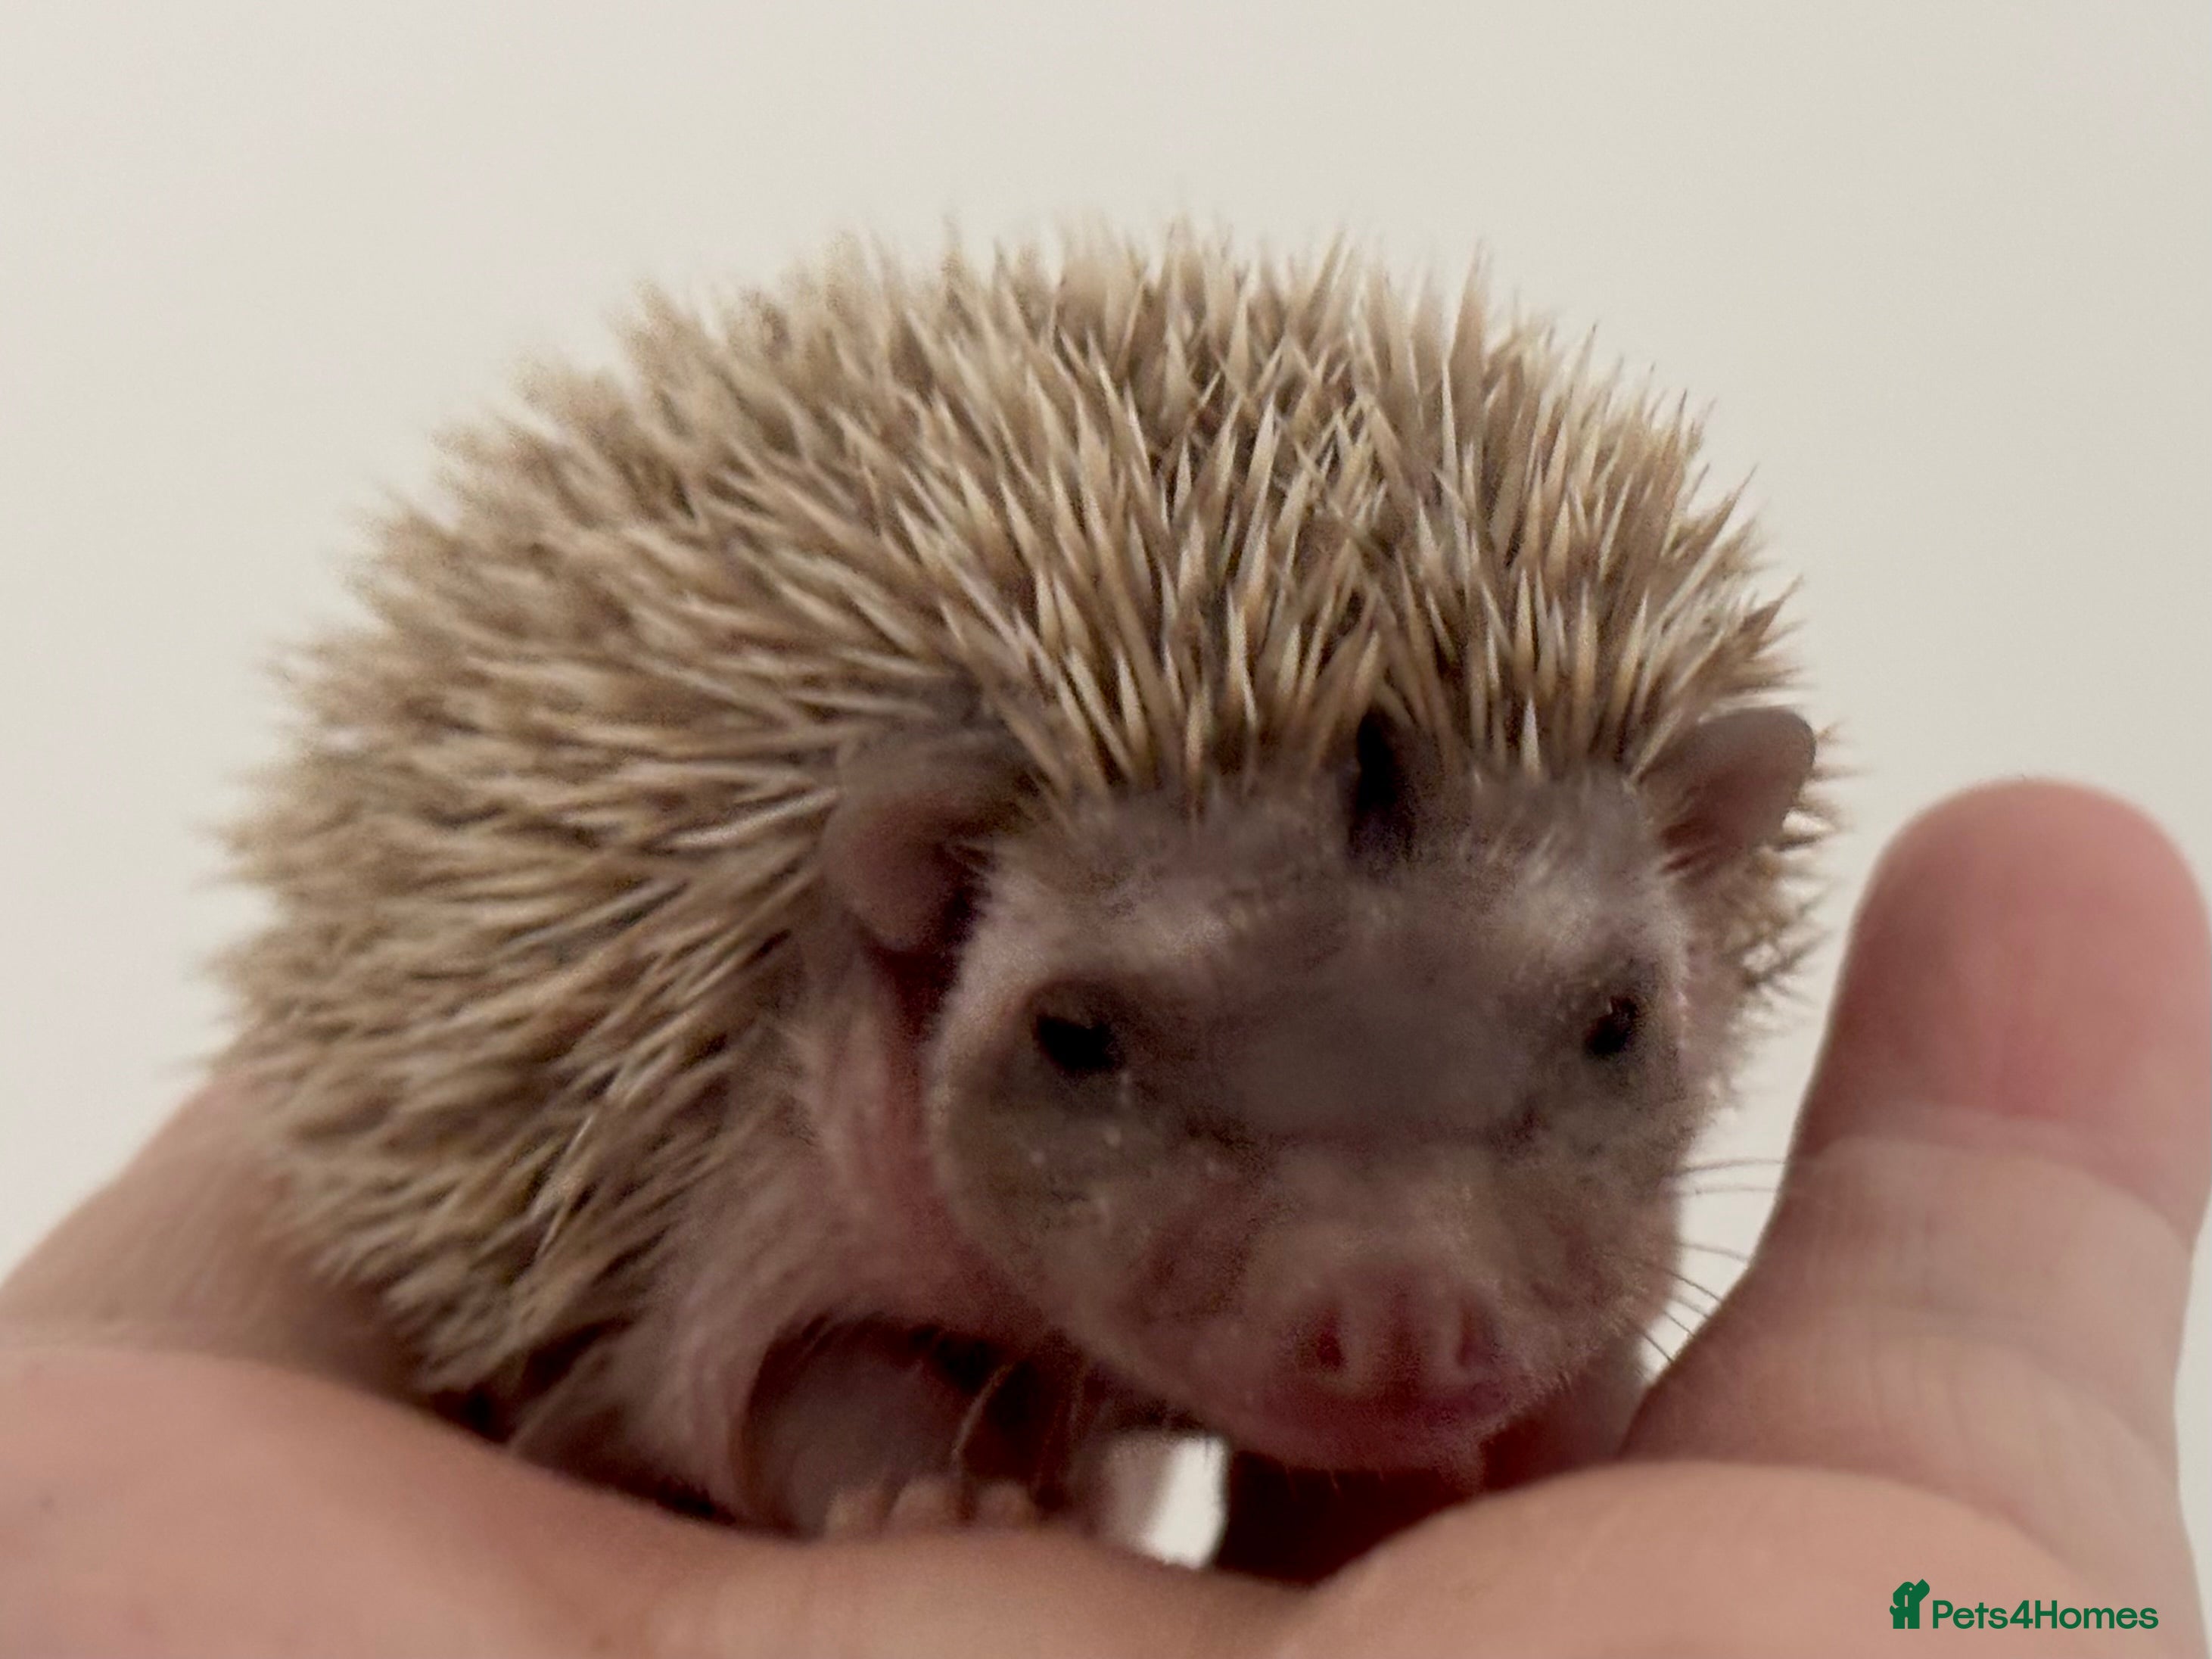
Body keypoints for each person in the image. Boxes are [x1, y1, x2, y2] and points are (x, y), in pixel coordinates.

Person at [2, 780, 2204, 1657]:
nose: (1401, 1306)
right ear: (916, 919)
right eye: (1088, 1051)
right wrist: (860, 1455)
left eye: (1598, 1043)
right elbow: (759, 1347)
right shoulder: (802, 1097)